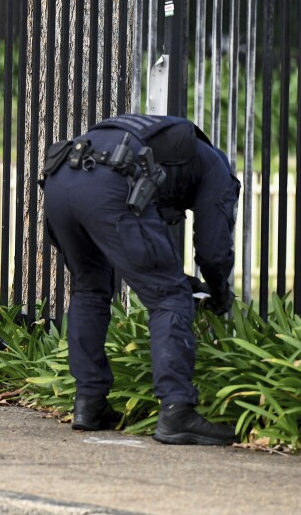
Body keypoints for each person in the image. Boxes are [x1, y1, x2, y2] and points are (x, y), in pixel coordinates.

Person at [42, 113, 240, 446]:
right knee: (170, 297)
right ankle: (177, 412)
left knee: (89, 288)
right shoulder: (217, 170)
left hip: (60, 180)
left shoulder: (160, 145)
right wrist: (219, 293)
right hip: (109, 182)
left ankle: (89, 405)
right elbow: (213, 249)